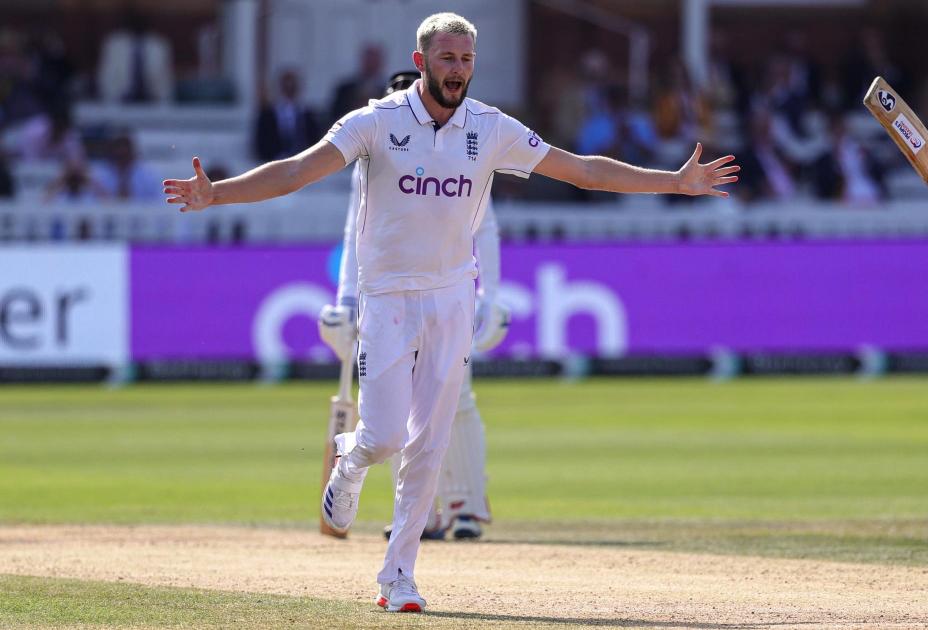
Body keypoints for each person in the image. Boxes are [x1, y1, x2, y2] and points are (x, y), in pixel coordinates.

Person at [163, 12, 737, 614]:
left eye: (465, 60)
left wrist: (674, 182)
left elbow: (584, 170)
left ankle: (398, 577)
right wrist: (217, 193)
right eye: (447, 59)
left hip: (451, 296)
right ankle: (351, 457)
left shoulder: (490, 128)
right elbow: (299, 171)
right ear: (421, 62)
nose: (457, 70)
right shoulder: (376, 122)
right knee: (384, 436)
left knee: (429, 443)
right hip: (386, 296)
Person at [317, 70, 504, 543]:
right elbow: (355, 234)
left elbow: (485, 229)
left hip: (448, 293)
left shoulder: (466, 144)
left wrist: (491, 297)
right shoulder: (375, 146)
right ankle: (424, 512)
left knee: (453, 403)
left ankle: (465, 504)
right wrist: (345, 302)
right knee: (396, 416)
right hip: (390, 296)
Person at [255, 69, 322, 162]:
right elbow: (261, 142)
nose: (289, 91)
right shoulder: (267, 115)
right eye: (286, 88)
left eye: (292, 88)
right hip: (275, 162)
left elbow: (314, 140)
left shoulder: (307, 114)